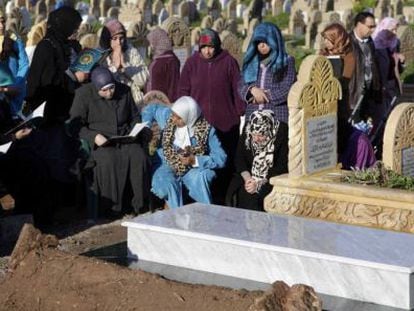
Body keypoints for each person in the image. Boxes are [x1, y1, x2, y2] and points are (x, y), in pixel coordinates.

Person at [70, 66, 151, 216]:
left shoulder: (124, 91)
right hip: (101, 141)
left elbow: (134, 117)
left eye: (112, 88)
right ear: (96, 88)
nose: (110, 93)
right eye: (104, 90)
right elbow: (75, 125)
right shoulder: (83, 95)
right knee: (109, 160)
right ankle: (112, 208)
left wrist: (136, 130)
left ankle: (137, 205)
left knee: (138, 156)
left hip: (124, 138)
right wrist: (93, 136)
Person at [178, 28, 245, 204]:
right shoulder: (192, 64)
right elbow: (184, 91)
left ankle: (226, 199)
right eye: (204, 47)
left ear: (217, 46)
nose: (207, 51)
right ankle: (203, 199)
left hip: (226, 123)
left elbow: (237, 89)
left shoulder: (228, 62)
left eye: (211, 47)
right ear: (199, 47)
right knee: (202, 161)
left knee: (225, 161)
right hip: (200, 125)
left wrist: (241, 111)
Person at [141, 96, 227, 209]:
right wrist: (146, 127)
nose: (174, 120)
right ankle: (176, 215)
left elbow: (221, 157)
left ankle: (207, 213)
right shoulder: (169, 117)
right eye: (173, 115)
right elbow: (151, 108)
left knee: (201, 176)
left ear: (190, 118)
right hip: (165, 164)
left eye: (179, 118)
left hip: (190, 169)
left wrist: (195, 160)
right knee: (167, 184)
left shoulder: (206, 130)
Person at [226, 110, 288, 211]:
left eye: (261, 135)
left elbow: (281, 166)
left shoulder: (281, 132)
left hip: (270, 178)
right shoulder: (248, 128)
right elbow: (239, 158)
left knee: (258, 198)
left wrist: (259, 184)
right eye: (253, 135)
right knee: (242, 193)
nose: (256, 139)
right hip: (249, 176)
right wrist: (248, 179)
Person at [239, 22, 296, 125]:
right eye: (259, 42)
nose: (262, 45)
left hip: (276, 117)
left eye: (266, 41)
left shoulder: (286, 61)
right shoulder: (251, 63)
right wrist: (251, 90)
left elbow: (287, 88)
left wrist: (265, 96)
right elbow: (240, 85)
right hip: (253, 116)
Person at [99, 19, 149, 107]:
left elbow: (143, 80)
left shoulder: (131, 51)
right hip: (113, 103)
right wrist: (115, 66)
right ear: (107, 39)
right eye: (114, 39)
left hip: (135, 101)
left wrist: (125, 68)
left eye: (121, 38)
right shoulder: (102, 57)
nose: (119, 42)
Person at [349, 12, 382, 128]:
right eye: (370, 27)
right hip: (354, 93)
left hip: (369, 91)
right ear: (359, 24)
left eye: (374, 27)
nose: (372, 30)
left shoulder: (370, 42)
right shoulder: (348, 42)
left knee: (366, 125)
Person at [0, 9, 29, 118]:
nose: (1, 26)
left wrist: (15, 85)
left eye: (2, 21)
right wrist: (3, 90)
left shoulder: (13, 41)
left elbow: (24, 65)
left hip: (15, 99)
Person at [372, 17, 405, 113]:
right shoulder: (374, 44)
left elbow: (398, 69)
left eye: (396, 30)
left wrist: (401, 62)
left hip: (392, 84)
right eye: (392, 30)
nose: (394, 33)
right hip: (380, 85)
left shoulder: (395, 42)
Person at [146, 27, 180, 102]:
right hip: (153, 102)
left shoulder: (170, 60)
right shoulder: (157, 57)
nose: (150, 46)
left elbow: (173, 87)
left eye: (151, 43)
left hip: (163, 105)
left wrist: (170, 106)